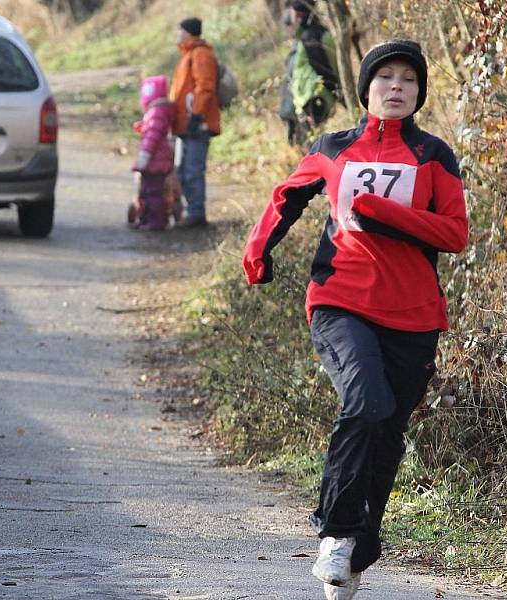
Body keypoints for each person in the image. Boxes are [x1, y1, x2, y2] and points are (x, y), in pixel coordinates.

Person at [242, 40, 468, 599]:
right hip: (340, 300)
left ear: (419, 93)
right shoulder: (333, 147)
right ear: (365, 88)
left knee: (388, 430)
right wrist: (259, 251)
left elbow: (455, 234)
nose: (397, 87)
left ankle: (359, 550)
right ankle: (336, 532)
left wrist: (382, 211)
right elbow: (286, 197)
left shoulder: (433, 156)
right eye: (385, 77)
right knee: (365, 404)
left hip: (413, 314)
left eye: (409, 80)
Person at [169, 16, 220, 228]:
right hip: (186, 124)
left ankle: (196, 213)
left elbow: (205, 87)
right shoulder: (189, 54)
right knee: (182, 169)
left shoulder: (200, 54)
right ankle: (191, 211)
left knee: (192, 169)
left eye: (180, 30)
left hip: (196, 124)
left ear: (188, 32)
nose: (177, 34)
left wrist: (196, 115)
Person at [279, 0, 340, 146]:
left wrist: (336, 94)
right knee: (302, 146)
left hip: (314, 102)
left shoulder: (316, 37)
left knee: (312, 148)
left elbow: (330, 70)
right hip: (301, 105)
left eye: (293, 12)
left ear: (299, 13)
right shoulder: (300, 39)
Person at [129, 74, 177, 231]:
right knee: (145, 192)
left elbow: (152, 137)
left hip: (155, 163)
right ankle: (144, 218)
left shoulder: (157, 113)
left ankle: (156, 221)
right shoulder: (157, 113)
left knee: (153, 193)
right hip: (155, 162)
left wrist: (143, 158)